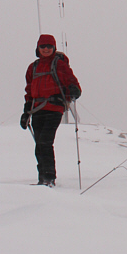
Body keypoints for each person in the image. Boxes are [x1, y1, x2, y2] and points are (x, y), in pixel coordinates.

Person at [20, 34, 82, 186]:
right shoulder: (32, 67)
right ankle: (43, 178)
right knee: (39, 144)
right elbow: (29, 90)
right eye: (43, 46)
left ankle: (49, 178)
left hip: (54, 108)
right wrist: (26, 111)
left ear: (54, 48)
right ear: (38, 48)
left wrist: (74, 90)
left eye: (49, 46)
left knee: (45, 142)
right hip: (37, 110)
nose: (46, 49)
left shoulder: (59, 65)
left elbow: (72, 82)